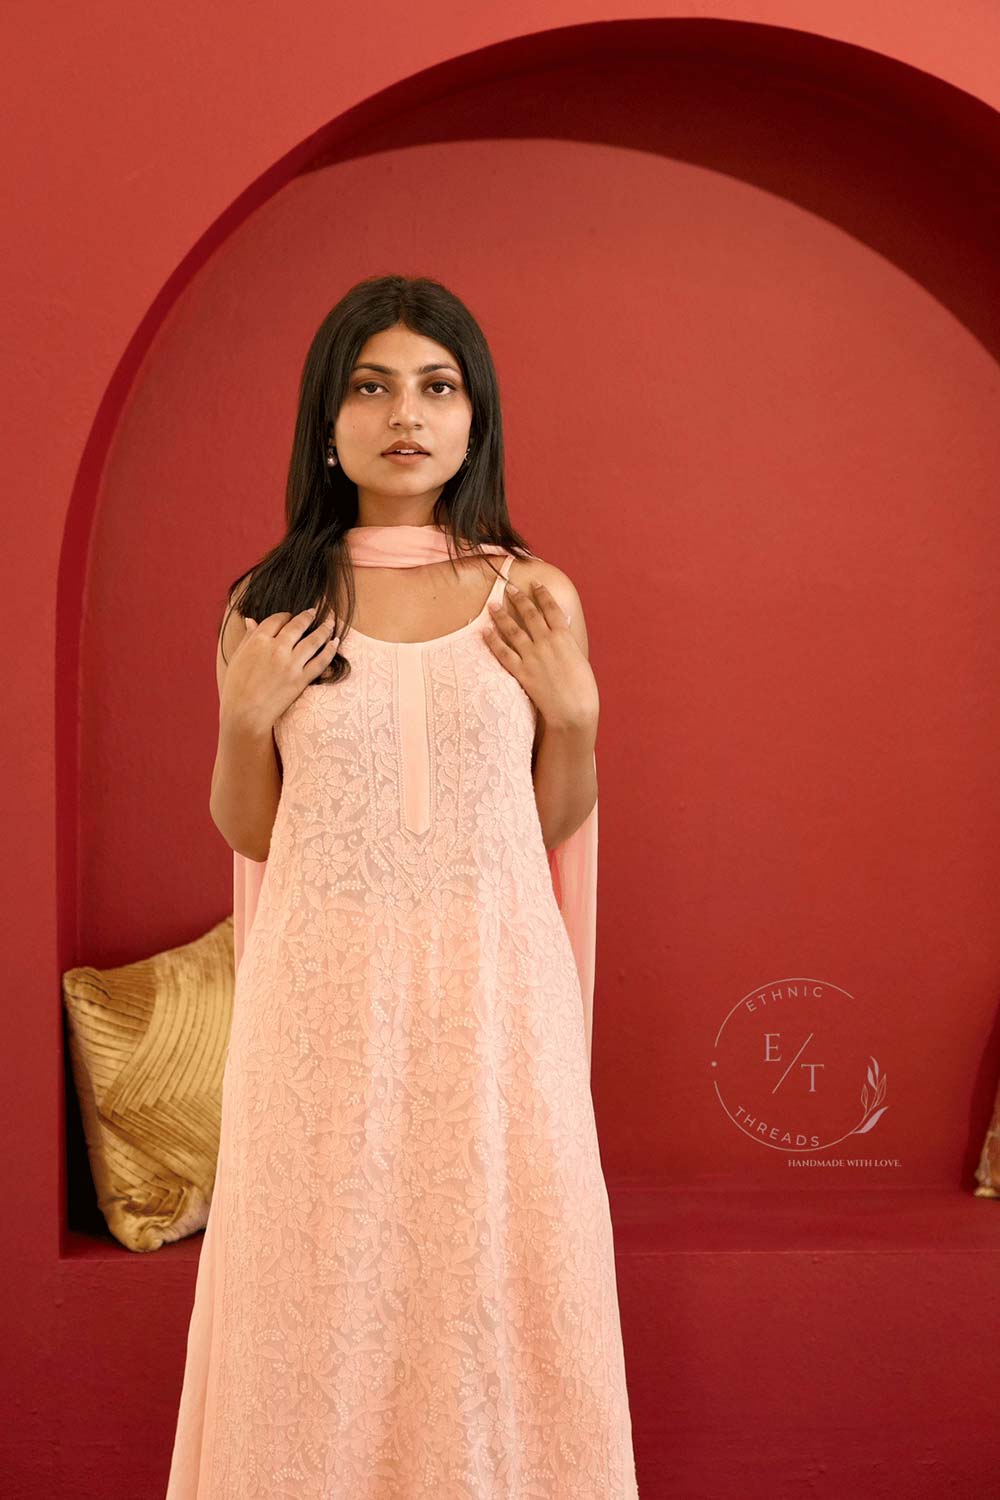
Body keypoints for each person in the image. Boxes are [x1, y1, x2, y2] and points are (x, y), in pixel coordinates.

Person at [165, 274, 639, 1498]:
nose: (405, 415)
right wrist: (241, 719)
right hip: (322, 1013)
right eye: (371, 387)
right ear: (327, 420)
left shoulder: (532, 595)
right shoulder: (270, 606)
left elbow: (540, 826)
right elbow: (253, 831)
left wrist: (577, 715)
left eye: (437, 386)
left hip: (491, 1003)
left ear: (477, 417)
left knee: (490, 1288)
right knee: (321, 1294)